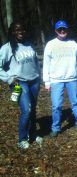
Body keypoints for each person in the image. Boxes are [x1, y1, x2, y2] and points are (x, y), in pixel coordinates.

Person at [0, 21, 41, 150]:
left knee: (33, 109)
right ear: (12, 32)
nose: (20, 32)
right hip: (19, 83)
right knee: (27, 110)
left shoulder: (29, 44)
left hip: (34, 82)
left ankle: (32, 134)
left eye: (22, 29)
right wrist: (9, 79)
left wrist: (40, 76)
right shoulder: (7, 48)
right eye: (17, 30)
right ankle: (22, 139)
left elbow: (35, 62)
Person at [43, 20, 77, 137]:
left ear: (67, 30)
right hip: (56, 80)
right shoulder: (50, 44)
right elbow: (46, 64)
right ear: (56, 31)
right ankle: (56, 128)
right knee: (56, 106)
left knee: (76, 103)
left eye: (64, 29)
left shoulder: (73, 43)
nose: (62, 31)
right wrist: (47, 81)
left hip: (72, 78)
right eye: (60, 29)